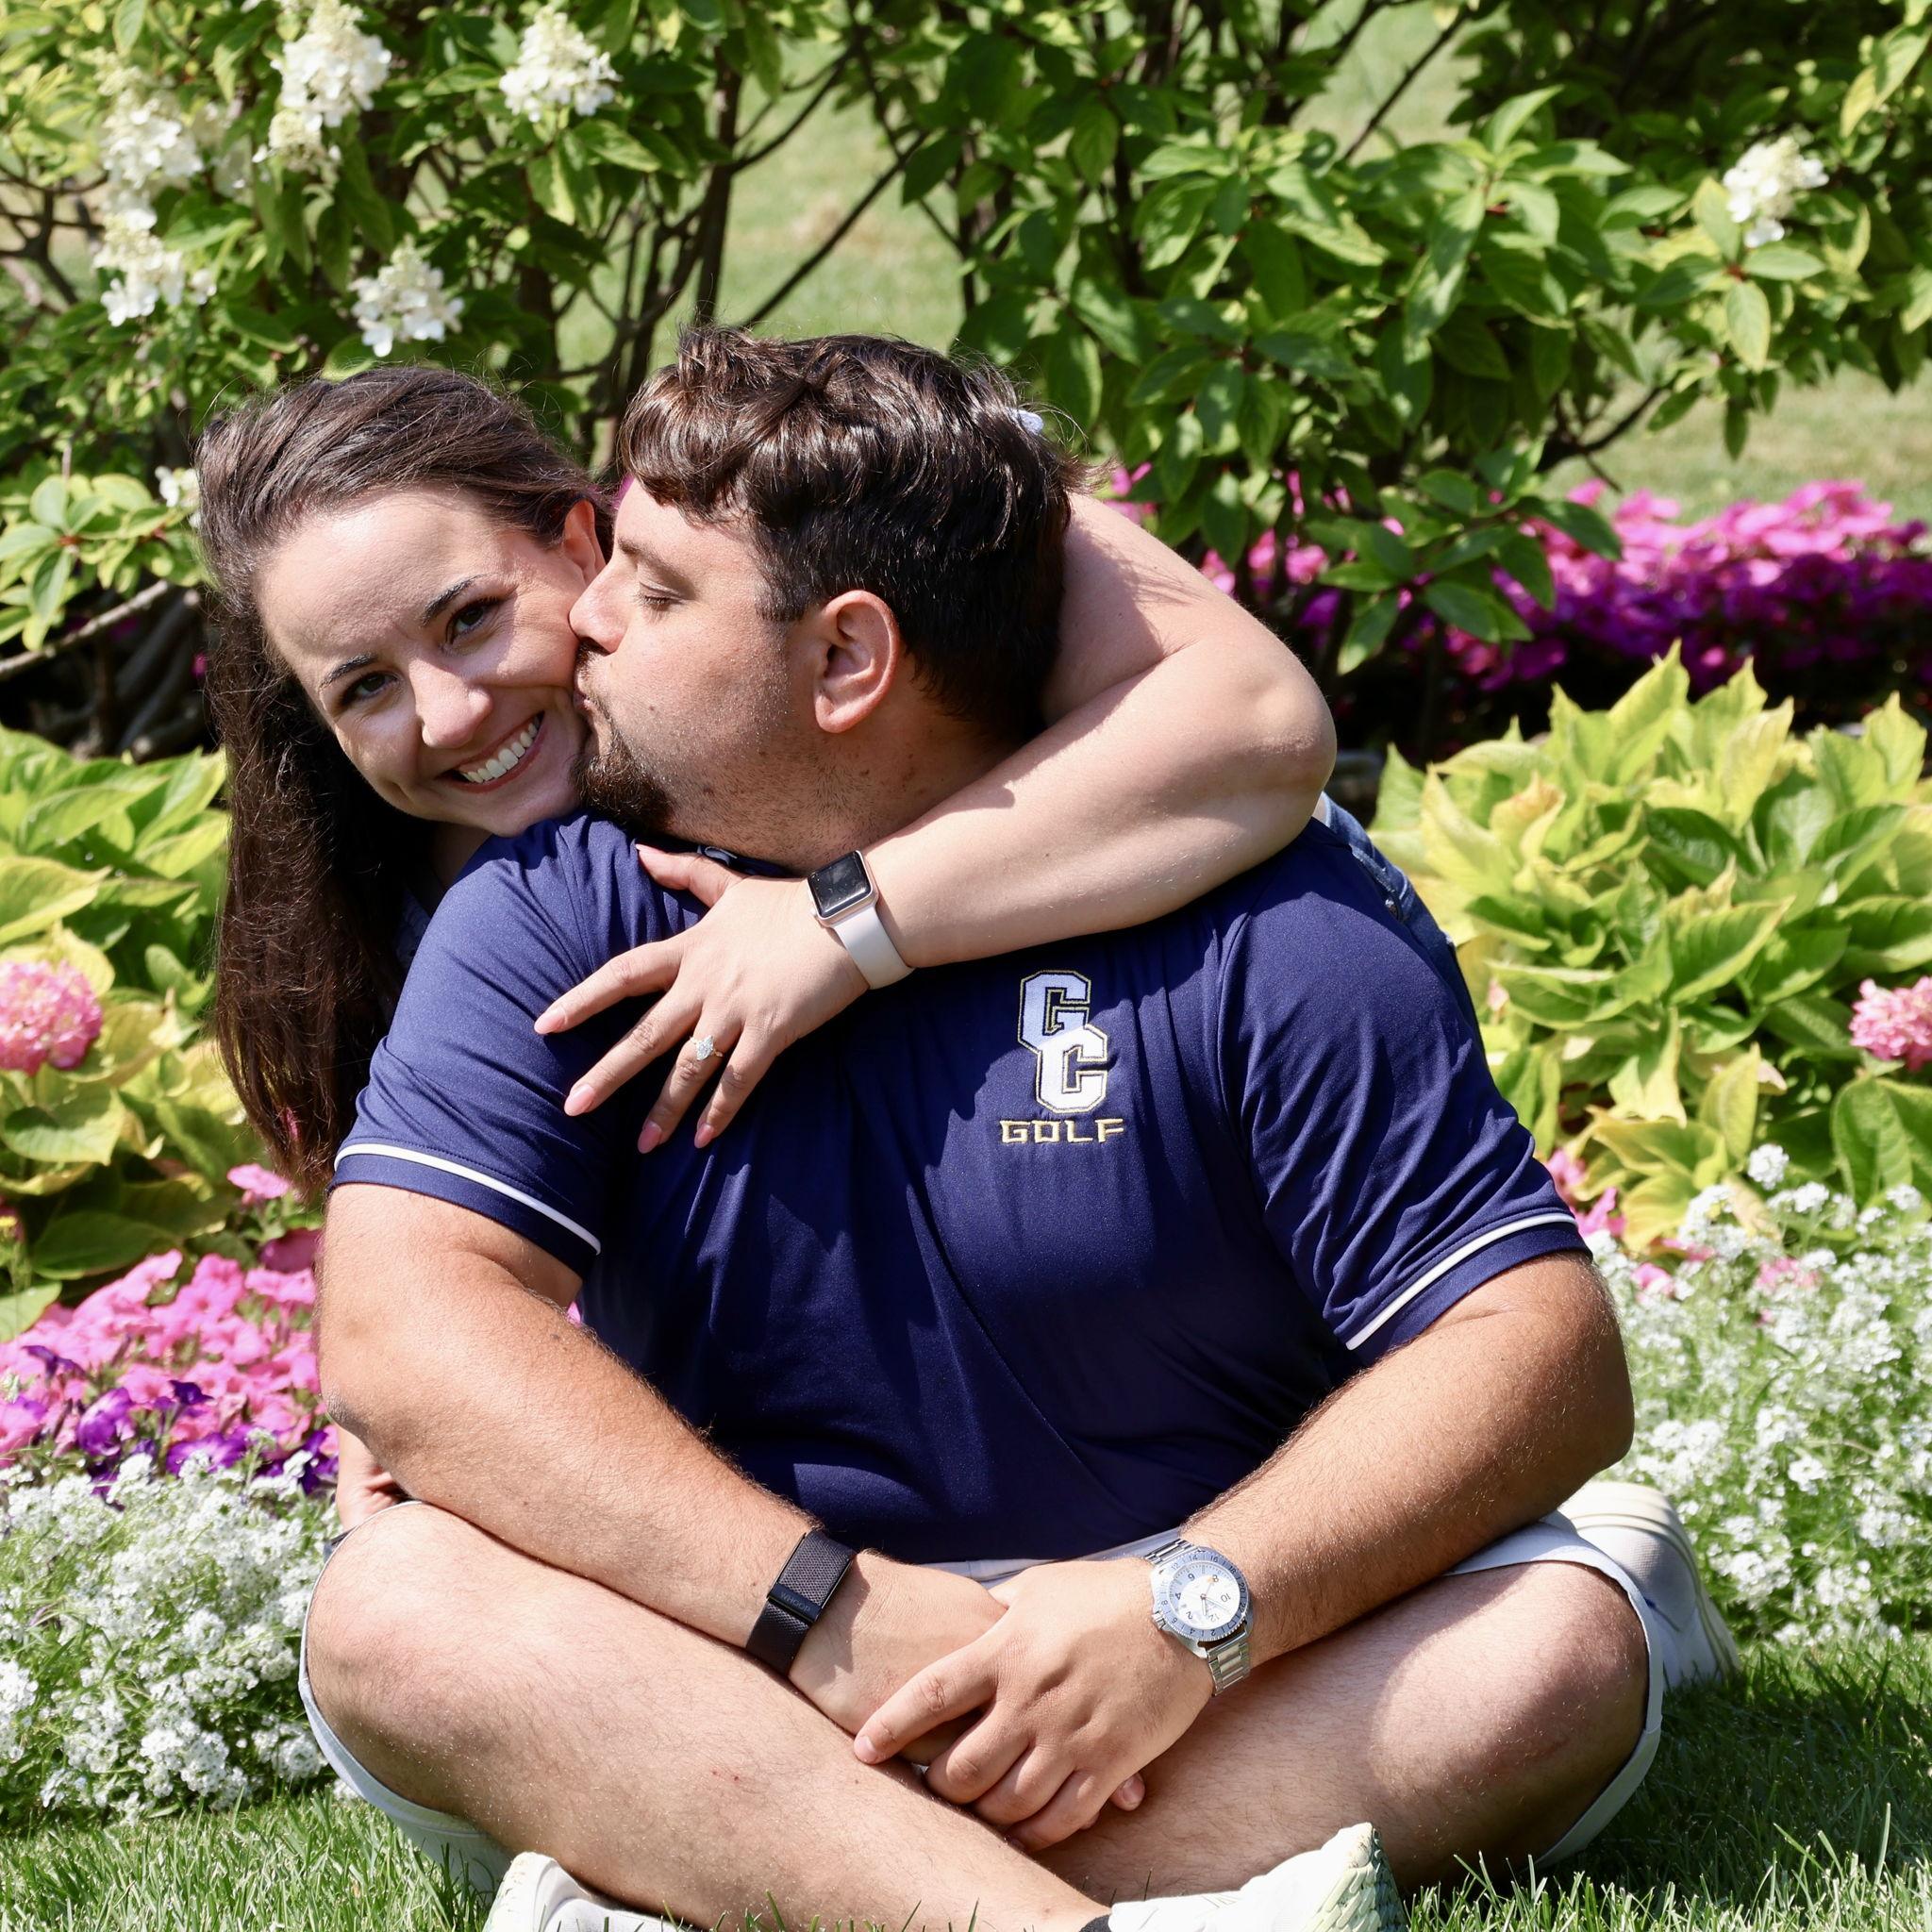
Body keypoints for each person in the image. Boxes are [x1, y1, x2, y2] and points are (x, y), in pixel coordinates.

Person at [257, 329, 1738, 1932]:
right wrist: (827, 1613)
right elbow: (404, 1332)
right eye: (363, 688)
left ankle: (738, 1871)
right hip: (758, 1636)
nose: (582, 630)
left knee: (1543, 1656)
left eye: (650, 585)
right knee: (397, 1611)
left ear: (849, 657)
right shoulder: (554, 900)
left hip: (1185, 1640)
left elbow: (1537, 1349)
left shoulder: (1251, 886)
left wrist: (1182, 1614)